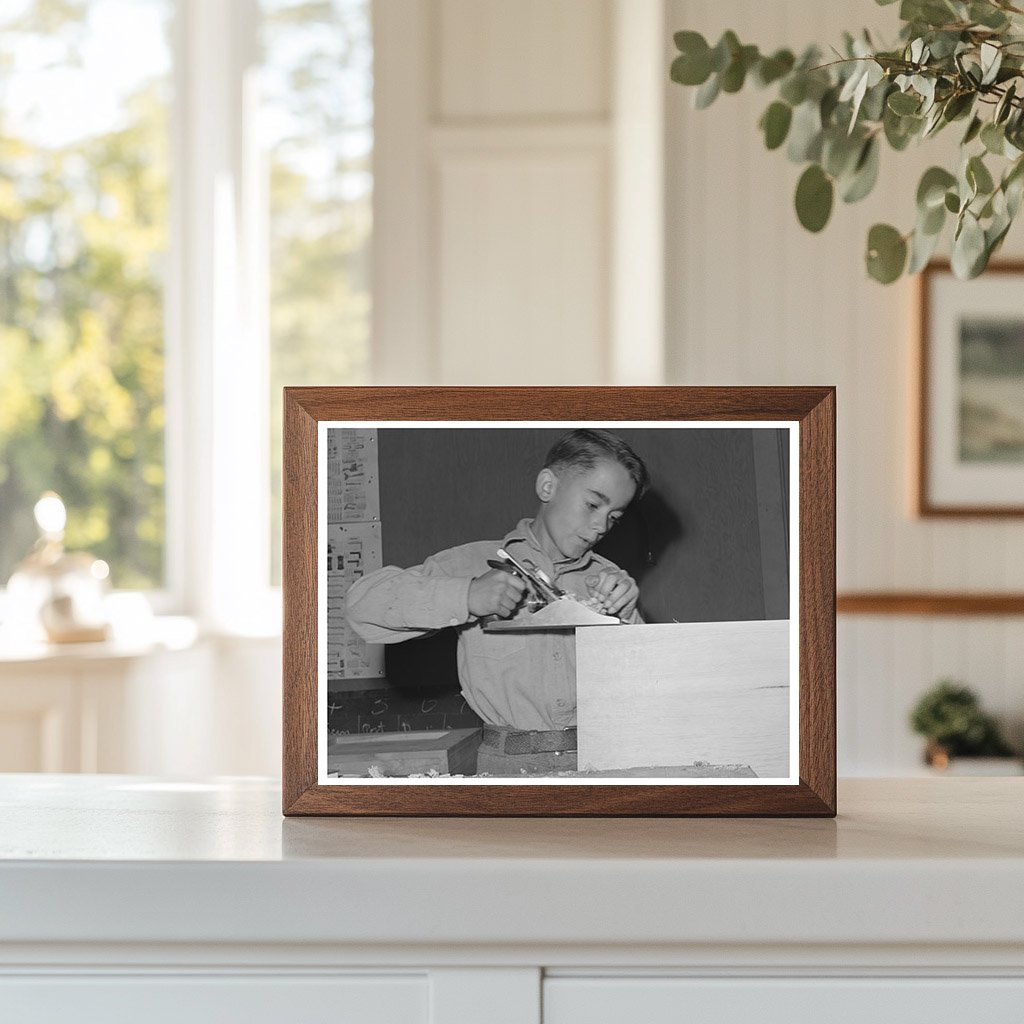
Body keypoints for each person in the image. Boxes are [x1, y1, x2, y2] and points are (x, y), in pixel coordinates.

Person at [344, 429, 650, 775]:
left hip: (605, 761)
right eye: (593, 505)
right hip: (508, 765)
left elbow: (650, 687)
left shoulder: (610, 581)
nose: (599, 526)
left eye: (613, 517)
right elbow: (361, 607)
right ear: (548, 487)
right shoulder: (471, 564)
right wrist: (467, 594)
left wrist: (625, 618)